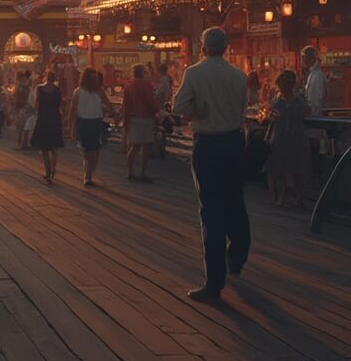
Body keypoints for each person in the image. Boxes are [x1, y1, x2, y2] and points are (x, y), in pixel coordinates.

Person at [172, 26, 249, 303]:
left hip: (207, 144)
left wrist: (197, 112)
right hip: (233, 142)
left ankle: (214, 281)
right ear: (226, 48)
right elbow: (244, 108)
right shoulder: (238, 76)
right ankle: (238, 253)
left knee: (211, 210)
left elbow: (178, 107)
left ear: (203, 48)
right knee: (235, 200)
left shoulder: (194, 73)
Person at [265, 69, 310, 208]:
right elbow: (308, 110)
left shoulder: (277, 101)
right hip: (295, 136)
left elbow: (268, 116)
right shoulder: (299, 100)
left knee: (280, 169)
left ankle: (280, 198)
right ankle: (299, 197)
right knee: (296, 168)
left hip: (280, 137)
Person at [67, 66, 111, 187]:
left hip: (94, 122)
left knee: (94, 149)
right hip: (85, 122)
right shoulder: (79, 91)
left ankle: (89, 173)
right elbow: (73, 110)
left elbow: (107, 103)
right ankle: (88, 173)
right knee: (87, 150)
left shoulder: (98, 91)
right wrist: (71, 125)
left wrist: (107, 109)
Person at [123, 64, 159, 183]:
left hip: (133, 118)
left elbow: (125, 106)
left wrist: (125, 121)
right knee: (146, 145)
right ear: (143, 73)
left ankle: (130, 171)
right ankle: (142, 172)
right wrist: (157, 111)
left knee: (134, 146)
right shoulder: (147, 85)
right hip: (146, 118)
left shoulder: (128, 86)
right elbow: (151, 101)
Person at [30, 68, 63, 183]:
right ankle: (53, 169)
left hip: (43, 118)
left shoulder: (39, 88)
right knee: (54, 147)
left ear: (45, 76)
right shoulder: (57, 90)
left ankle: (47, 170)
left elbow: (36, 104)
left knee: (44, 147)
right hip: (54, 118)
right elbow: (59, 105)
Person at [300, 46, 326, 116]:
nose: (302, 60)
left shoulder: (317, 76)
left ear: (311, 58)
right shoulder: (313, 74)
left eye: (304, 57)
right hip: (313, 114)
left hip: (314, 116)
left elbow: (317, 100)